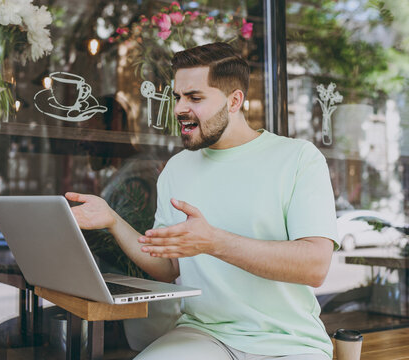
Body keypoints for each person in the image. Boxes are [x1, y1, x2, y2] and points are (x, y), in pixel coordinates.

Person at [66, 42, 338, 360]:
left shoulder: (298, 158)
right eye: (177, 97)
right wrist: (112, 219)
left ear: (234, 100)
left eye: (195, 98)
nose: (181, 108)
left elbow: (316, 266)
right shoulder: (176, 169)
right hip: (205, 334)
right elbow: (168, 268)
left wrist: (213, 242)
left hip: (291, 343)